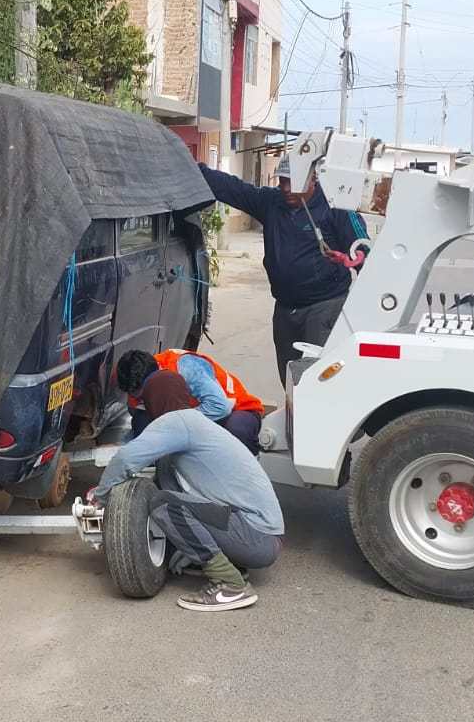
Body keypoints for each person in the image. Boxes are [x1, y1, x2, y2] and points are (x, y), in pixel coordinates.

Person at [93, 370, 283, 613]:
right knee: (168, 478)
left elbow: (126, 459)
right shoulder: (195, 422)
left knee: (163, 502)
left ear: (154, 401)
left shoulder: (177, 421)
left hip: (258, 537)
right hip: (262, 536)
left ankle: (232, 585)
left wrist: (100, 496)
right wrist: (192, 545)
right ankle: (228, 562)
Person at [200, 155, 370, 380]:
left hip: (324, 307)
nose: (288, 189)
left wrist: (359, 260)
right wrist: (192, 165)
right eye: (282, 182)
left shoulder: (335, 206)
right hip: (285, 309)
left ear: (313, 180)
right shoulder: (271, 202)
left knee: (318, 378)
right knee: (290, 377)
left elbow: (363, 248)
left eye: (295, 182)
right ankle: (296, 414)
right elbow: (232, 188)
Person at [115, 348, 264, 453]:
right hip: (194, 418)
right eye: (138, 397)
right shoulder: (133, 387)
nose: (142, 399)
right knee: (141, 424)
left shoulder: (185, 367)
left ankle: (247, 469)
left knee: (237, 431)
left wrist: (177, 424)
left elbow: (220, 407)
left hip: (234, 410)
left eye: (144, 395)